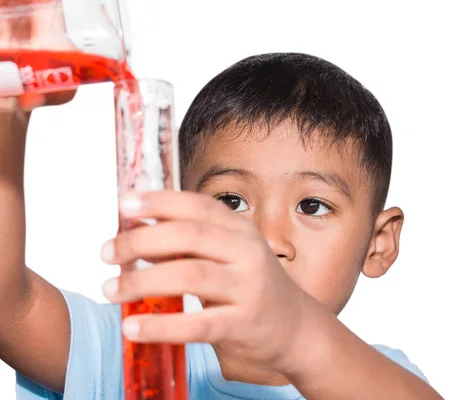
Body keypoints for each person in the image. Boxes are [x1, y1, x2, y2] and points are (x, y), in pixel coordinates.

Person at [1, 53, 444, 399]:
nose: (267, 241)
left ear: (378, 244)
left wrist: (298, 333)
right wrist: (7, 118)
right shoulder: (134, 355)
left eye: (312, 205)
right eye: (231, 201)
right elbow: (9, 309)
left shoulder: (381, 382)